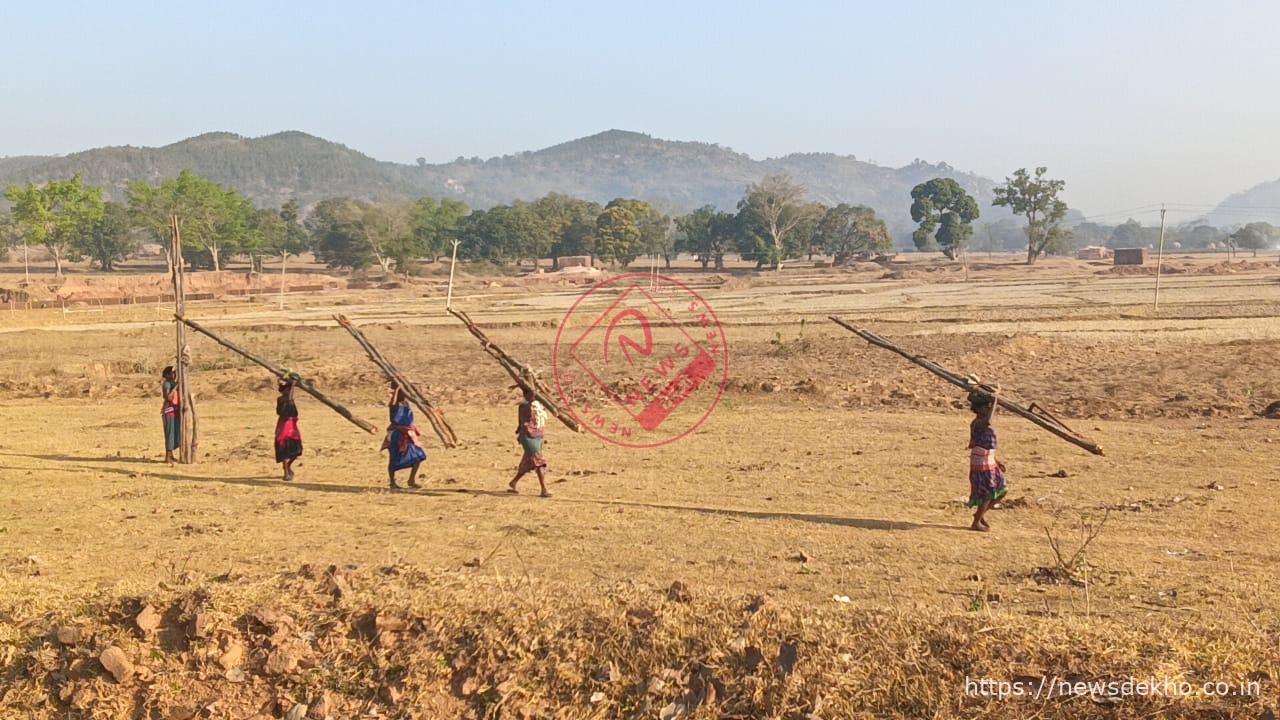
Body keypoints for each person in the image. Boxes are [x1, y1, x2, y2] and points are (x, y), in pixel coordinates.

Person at [967, 385, 1007, 532]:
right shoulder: (978, 423)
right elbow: (989, 420)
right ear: (978, 409)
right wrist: (995, 399)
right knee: (987, 492)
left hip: (989, 460)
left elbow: (987, 444)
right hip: (981, 463)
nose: (988, 410)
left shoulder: (982, 422)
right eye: (986, 407)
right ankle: (976, 521)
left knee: (1002, 490)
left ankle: (980, 514)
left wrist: (996, 461)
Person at [508, 386, 550, 497]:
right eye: (532, 394)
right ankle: (544, 489)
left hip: (538, 436)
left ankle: (513, 482)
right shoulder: (525, 406)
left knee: (528, 462)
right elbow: (521, 422)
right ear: (526, 395)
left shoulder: (539, 405)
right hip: (528, 436)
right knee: (539, 462)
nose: (534, 396)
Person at [382, 385, 425, 489]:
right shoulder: (394, 404)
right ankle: (392, 482)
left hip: (408, 434)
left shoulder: (406, 404)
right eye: (404, 392)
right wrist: (397, 389)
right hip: (396, 434)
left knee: (418, 455)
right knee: (394, 458)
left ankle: (411, 480)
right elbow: (392, 403)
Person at [274, 379, 303, 481]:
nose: (289, 391)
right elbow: (289, 398)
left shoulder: (290, 400)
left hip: (292, 426)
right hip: (284, 427)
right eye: (287, 389)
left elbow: (291, 399)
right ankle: (286, 472)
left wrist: (292, 385)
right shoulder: (282, 399)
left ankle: (287, 466)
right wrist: (293, 386)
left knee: (297, 450)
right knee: (285, 450)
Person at [161, 366, 180, 464]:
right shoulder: (167, 384)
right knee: (170, 433)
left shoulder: (172, 383)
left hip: (175, 411)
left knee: (174, 433)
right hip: (169, 412)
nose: (174, 374)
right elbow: (168, 397)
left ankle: (171, 455)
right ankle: (168, 456)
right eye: (172, 373)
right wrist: (176, 387)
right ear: (167, 374)